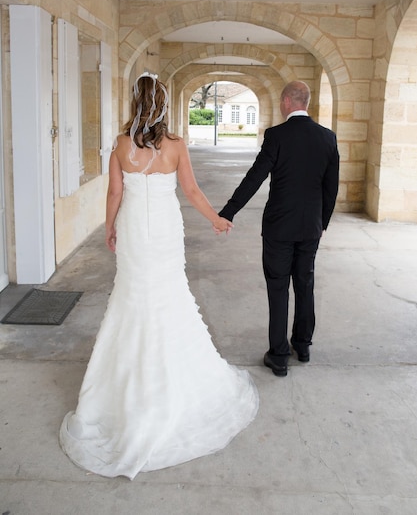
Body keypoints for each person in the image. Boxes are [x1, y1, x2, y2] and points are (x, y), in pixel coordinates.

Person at [59, 72, 258, 479]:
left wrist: (110, 225)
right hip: (165, 229)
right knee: (169, 294)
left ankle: (125, 382)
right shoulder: (176, 145)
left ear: (135, 102)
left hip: (134, 227)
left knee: (132, 294)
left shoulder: (120, 145)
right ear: (164, 105)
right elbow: (192, 192)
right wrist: (217, 220)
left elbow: (114, 193)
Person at [219, 81, 339, 377]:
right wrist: (321, 222)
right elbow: (331, 188)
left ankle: (279, 355)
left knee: (278, 288)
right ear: (306, 102)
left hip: (279, 227)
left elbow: (254, 177)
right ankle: (304, 345)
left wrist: (229, 211)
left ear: (287, 101)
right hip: (310, 226)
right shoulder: (327, 138)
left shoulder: (277, 136)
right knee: (305, 283)